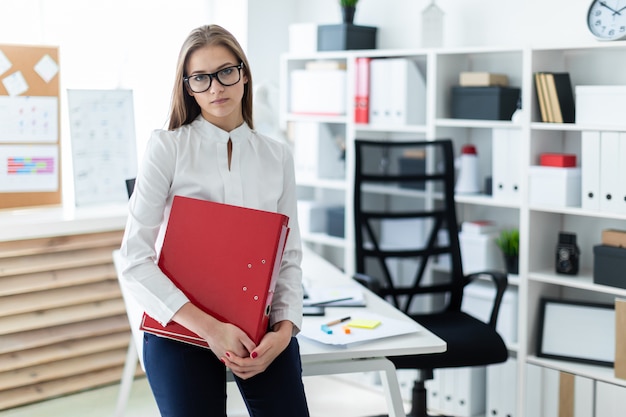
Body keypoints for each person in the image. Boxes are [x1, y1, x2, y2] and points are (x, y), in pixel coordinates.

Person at [119, 24, 310, 417]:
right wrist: (210, 328)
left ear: (243, 73)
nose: (216, 88)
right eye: (200, 79)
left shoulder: (277, 157)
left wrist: (285, 330)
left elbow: (288, 257)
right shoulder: (167, 147)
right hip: (181, 326)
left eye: (226, 72)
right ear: (188, 87)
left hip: (259, 330)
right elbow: (135, 259)